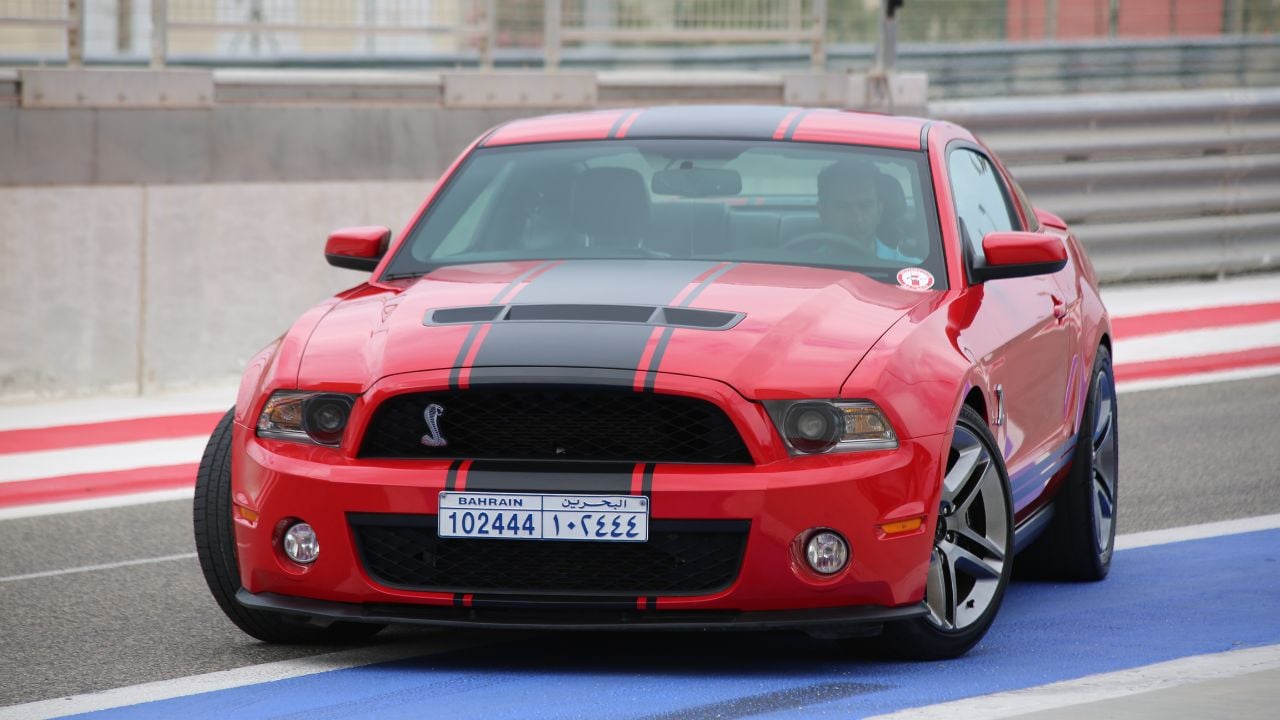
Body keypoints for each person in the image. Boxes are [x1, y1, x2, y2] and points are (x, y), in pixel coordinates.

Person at [815, 161, 925, 263]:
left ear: (879, 211)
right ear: (823, 212)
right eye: (843, 207)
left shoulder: (908, 269)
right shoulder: (808, 267)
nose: (857, 219)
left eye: (865, 206)